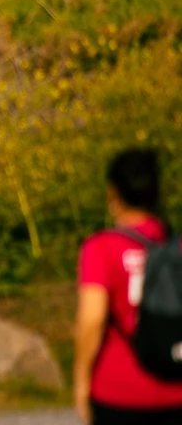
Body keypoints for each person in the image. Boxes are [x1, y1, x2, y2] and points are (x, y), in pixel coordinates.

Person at [74, 148, 182, 425]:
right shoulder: (176, 246)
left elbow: (92, 320)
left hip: (118, 393)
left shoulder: (100, 248)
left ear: (113, 193)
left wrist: (81, 380)